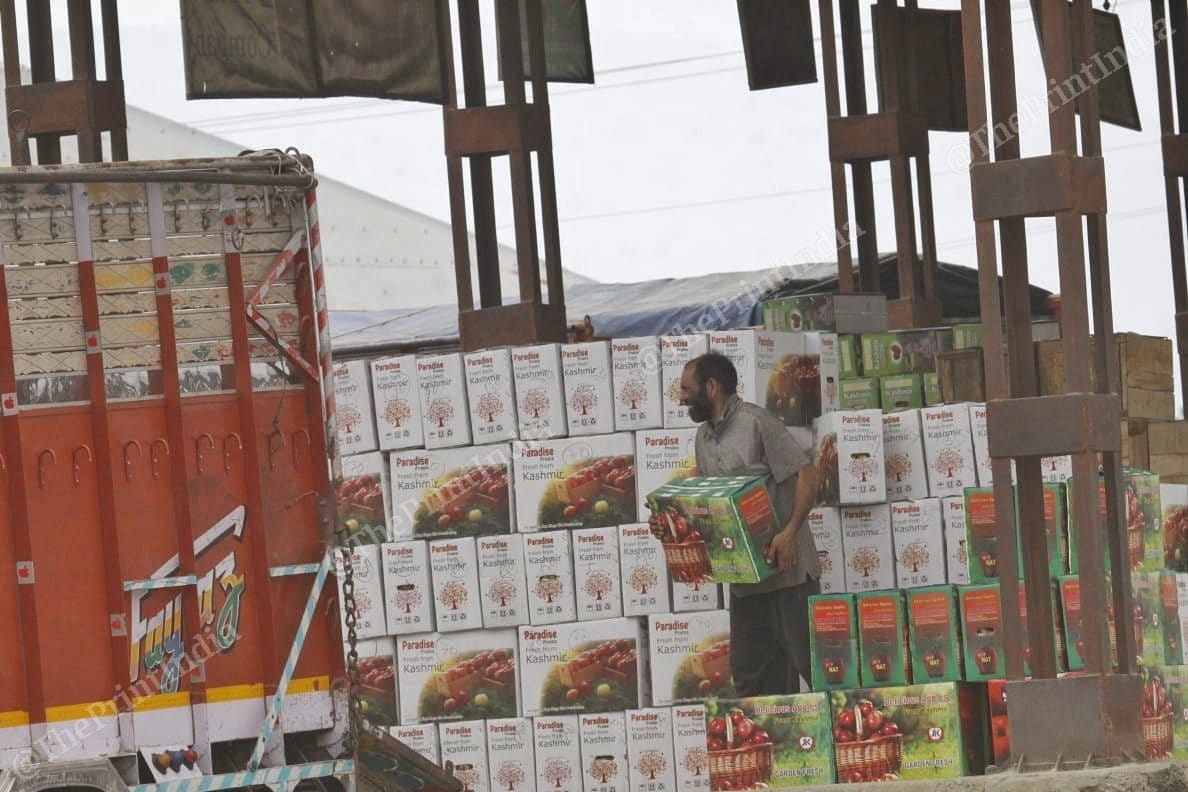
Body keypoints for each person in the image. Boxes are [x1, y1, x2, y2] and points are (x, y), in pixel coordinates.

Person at [653, 352, 821, 696]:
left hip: (788, 576)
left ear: (711, 387)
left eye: (686, 389)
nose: (681, 397)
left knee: (814, 669)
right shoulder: (702, 437)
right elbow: (708, 505)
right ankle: (771, 745)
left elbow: (808, 476)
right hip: (745, 582)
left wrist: (788, 534)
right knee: (750, 679)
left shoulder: (758, 422)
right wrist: (670, 528)